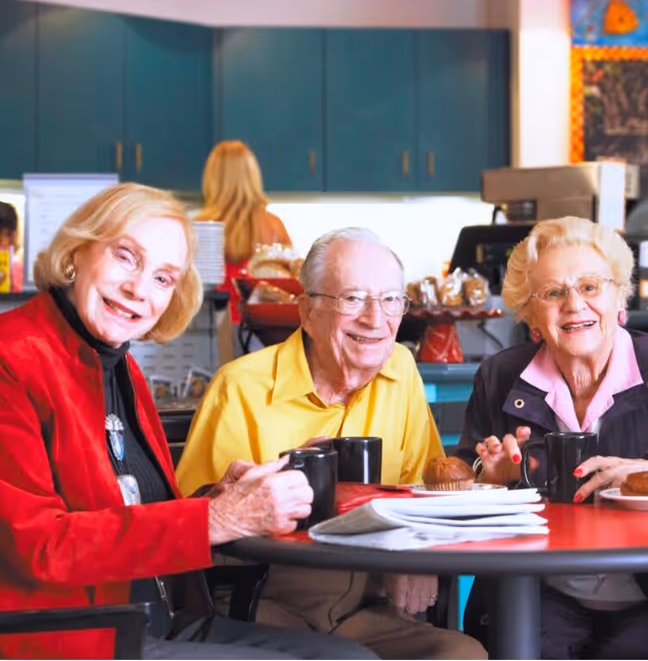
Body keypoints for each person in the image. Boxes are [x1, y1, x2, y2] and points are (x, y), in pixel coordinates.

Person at [0, 183, 375, 660]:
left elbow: (125, 508)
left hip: (152, 622)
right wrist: (214, 519)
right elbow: (40, 547)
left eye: (163, 278)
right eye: (125, 257)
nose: (139, 289)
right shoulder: (11, 358)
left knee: (350, 657)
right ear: (77, 251)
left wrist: (220, 499)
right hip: (72, 638)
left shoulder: (119, 366)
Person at [176, 227, 486, 661]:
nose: (375, 319)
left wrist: (419, 558)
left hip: (369, 604)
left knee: (461, 654)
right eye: (353, 298)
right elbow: (193, 532)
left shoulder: (400, 368)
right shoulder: (241, 387)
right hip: (265, 602)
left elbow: (424, 490)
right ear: (307, 311)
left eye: (391, 300)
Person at [453, 216, 648, 659]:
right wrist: (488, 480)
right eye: (553, 292)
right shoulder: (500, 376)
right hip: (540, 589)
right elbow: (462, 482)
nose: (574, 305)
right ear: (531, 315)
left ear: (618, 297)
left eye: (590, 287)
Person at [195, 140, 292, 325]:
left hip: (212, 329)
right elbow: (290, 289)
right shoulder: (274, 226)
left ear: (212, 178)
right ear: (253, 176)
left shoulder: (202, 227)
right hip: (260, 330)